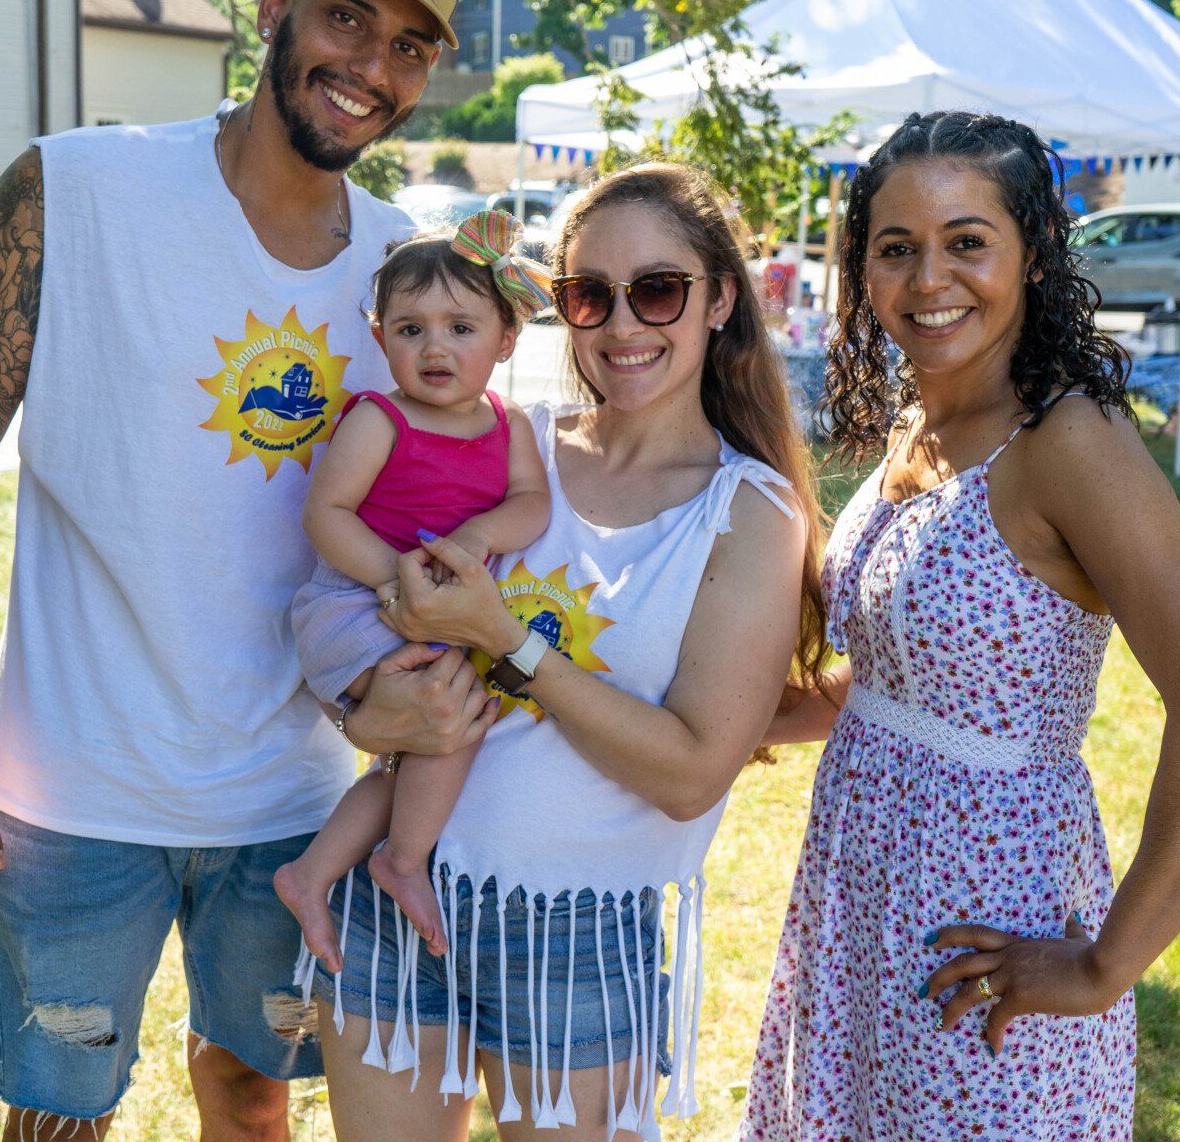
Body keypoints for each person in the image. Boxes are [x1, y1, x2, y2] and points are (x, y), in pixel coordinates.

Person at [0, 0, 486, 1142]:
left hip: (292, 798)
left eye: (409, 46)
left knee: (254, 1100)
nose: (370, 67)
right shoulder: (77, 188)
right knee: (59, 1117)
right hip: (74, 790)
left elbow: (447, 517)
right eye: (345, 18)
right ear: (276, 6)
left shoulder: (409, 281)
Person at [741, 111, 1180, 1141]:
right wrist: (712, 723)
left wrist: (1102, 963)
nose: (929, 276)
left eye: (967, 241)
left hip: (981, 921)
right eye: (896, 248)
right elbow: (908, 677)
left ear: (1033, 254)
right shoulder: (922, 415)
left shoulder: (1067, 437)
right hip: (860, 893)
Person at [309, 163, 829, 1142]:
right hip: (396, 880)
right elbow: (361, 604)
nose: (624, 325)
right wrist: (360, 709)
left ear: (721, 298)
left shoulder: (749, 510)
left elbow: (689, 771)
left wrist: (504, 641)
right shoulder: (507, 443)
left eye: (659, 290)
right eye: (591, 295)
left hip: (575, 931)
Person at [276, 211, 553, 968]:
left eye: (461, 328)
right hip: (354, 603)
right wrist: (397, 584)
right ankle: (403, 859)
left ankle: (312, 874)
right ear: (380, 339)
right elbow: (324, 514)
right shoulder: (380, 420)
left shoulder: (509, 425)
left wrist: (480, 536)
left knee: (432, 735)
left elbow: (532, 504)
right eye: (410, 329)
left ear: (505, 340)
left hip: (432, 611)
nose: (435, 347)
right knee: (450, 706)